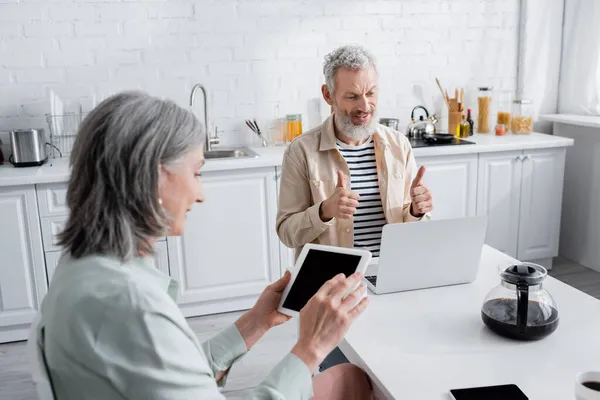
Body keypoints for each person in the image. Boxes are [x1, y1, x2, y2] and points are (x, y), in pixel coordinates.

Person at [34, 91, 372, 399]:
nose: (200, 194)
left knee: (347, 378)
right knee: (349, 382)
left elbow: (171, 373)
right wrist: (311, 347)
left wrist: (256, 322)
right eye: (196, 173)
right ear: (154, 176)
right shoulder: (131, 307)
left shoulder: (83, 267)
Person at [277, 45, 433, 259]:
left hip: (390, 273)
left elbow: (408, 224)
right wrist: (324, 211)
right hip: (331, 282)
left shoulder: (399, 145)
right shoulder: (301, 151)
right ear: (328, 95)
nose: (365, 106)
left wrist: (416, 211)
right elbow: (287, 233)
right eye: (352, 96)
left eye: (370, 93)